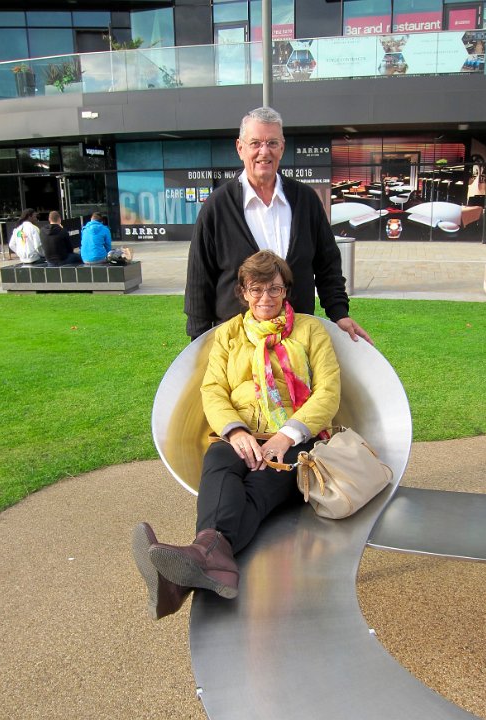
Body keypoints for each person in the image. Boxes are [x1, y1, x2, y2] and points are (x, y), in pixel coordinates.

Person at [132, 250, 341, 619]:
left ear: (286, 291)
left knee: (256, 487)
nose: (265, 298)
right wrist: (236, 431)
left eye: (274, 289)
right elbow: (213, 389)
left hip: (296, 440)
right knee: (219, 462)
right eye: (256, 289)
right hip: (240, 432)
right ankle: (206, 563)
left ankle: (182, 580)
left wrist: (286, 436)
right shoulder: (228, 333)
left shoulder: (311, 331)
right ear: (243, 292)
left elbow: (328, 392)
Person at [185, 106, 373, 345]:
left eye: (272, 143)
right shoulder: (217, 206)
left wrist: (339, 313)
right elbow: (199, 280)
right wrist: (198, 341)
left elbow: (328, 265)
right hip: (239, 345)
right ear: (240, 148)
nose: (264, 151)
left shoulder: (306, 200)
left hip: (296, 341)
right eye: (255, 143)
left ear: (282, 148)